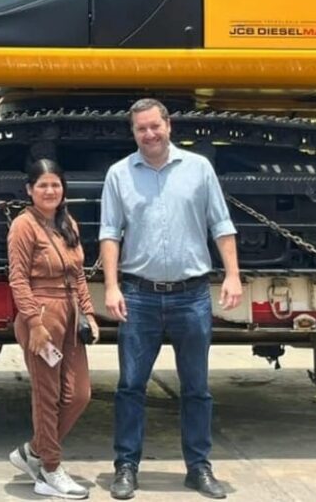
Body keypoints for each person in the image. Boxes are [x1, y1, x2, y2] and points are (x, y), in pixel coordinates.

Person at [99, 98, 243, 500]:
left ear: (168, 125)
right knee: (130, 386)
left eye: (154, 126)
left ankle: (198, 468)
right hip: (139, 295)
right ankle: (126, 466)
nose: (149, 134)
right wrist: (110, 286)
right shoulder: (119, 174)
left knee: (197, 387)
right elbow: (110, 232)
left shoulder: (199, 168)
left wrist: (233, 274)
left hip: (191, 295)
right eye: (141, 129)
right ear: (133, 133)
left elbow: (221, 224)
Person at [8, 158, 99, 499]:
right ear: (29, 190)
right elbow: (18, 279)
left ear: (63, 188)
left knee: (79, 394)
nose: (50, 191)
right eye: (42, 185)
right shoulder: (23, 225)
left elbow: (78, 274)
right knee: (46, 396)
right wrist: (34, 323)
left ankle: (34, 451)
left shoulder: (67, 222)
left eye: (55, 184)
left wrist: (88, 313)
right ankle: (49, 469)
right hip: (42, 315)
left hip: (70, 313)